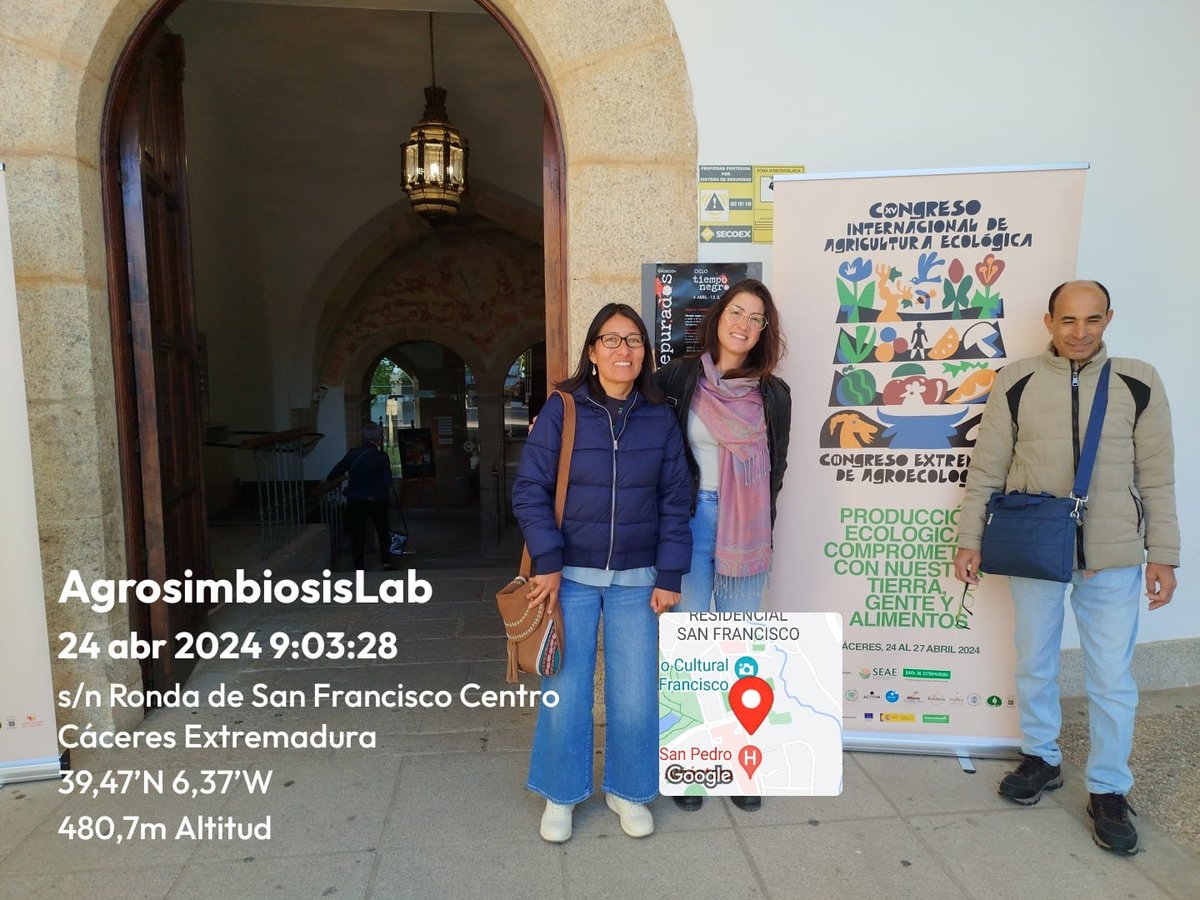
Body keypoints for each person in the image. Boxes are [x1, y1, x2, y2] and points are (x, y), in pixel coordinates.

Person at [954, 280, 1179, 856]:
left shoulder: (1139, 379)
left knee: (1110, 679)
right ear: (1050, 320)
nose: (1080, 333)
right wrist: (969, 539)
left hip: (1114, 556)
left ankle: (1108, 787)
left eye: (1092, 320)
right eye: (1069, 321)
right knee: (1034, 661)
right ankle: (1041, 757)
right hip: (1034, 546)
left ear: (1109, 318)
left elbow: (1157, 475)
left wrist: (1164, 554)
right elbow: (987, 467)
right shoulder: (1019, 379)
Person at [512, 303, 692, 843]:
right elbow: (530, 491)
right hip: (568, 579)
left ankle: (629, 790)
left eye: (634, 340)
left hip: (639, 581)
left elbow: (675, 500)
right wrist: (546, 560)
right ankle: (561, 794)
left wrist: (671, 576)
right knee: (565, 693)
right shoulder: (563, 410)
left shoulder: (660, 418)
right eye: (611, 340)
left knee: (635, 693)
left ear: (645, 354)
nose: (623, 350)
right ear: (591, 352)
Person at [656, 277, 791, 813]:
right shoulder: (680, 378)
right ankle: (690, 762)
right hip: (690, 521)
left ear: (764, 331)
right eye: (737, 311)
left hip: (749, 528)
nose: (744, 324)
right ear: (718, 317)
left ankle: (738, 761)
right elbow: (648, 439)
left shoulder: (773, 394)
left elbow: (777, 467)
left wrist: (759, 515)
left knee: (738, 649)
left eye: (755, 318)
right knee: (689, 647)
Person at [325, 423, 395, 570]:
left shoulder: (353, 453)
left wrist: (332, 479)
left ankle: (358, 565)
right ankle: (386, 562)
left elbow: (336, 471)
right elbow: (387, 481)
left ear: (363, 437)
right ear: (379, 438)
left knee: (357, 534)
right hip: (377, 500)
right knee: (383, 531)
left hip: (356, 499)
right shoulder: (381, 457)